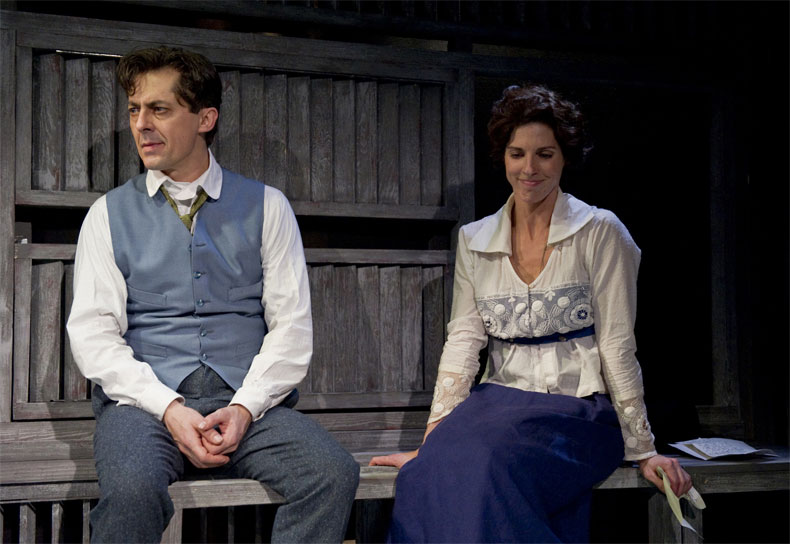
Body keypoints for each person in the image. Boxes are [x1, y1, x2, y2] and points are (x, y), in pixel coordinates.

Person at [370, 84, 692, 543]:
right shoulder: (475, 239)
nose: (529, 168)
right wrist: (435, 444)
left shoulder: (599, 231)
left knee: (490, 464)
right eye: (517, 154)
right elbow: (463, 341)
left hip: (578, 410)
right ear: (503, 156)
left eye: (544, 154)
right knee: (425, 475)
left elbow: (617, 344)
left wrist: (644, 450)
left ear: (564, 157)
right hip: (495, 406)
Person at [67, 46, 359, 543]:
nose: (141, 124)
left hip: (247, 403)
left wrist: (244, 408)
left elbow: (291, 327)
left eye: (159, 109)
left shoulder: (268, 206)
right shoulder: (107, 215)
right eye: (134, 109)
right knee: (132, 492)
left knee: (331, 474)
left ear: (205, 118)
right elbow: (94, 336)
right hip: (144, 407)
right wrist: (168, 408)